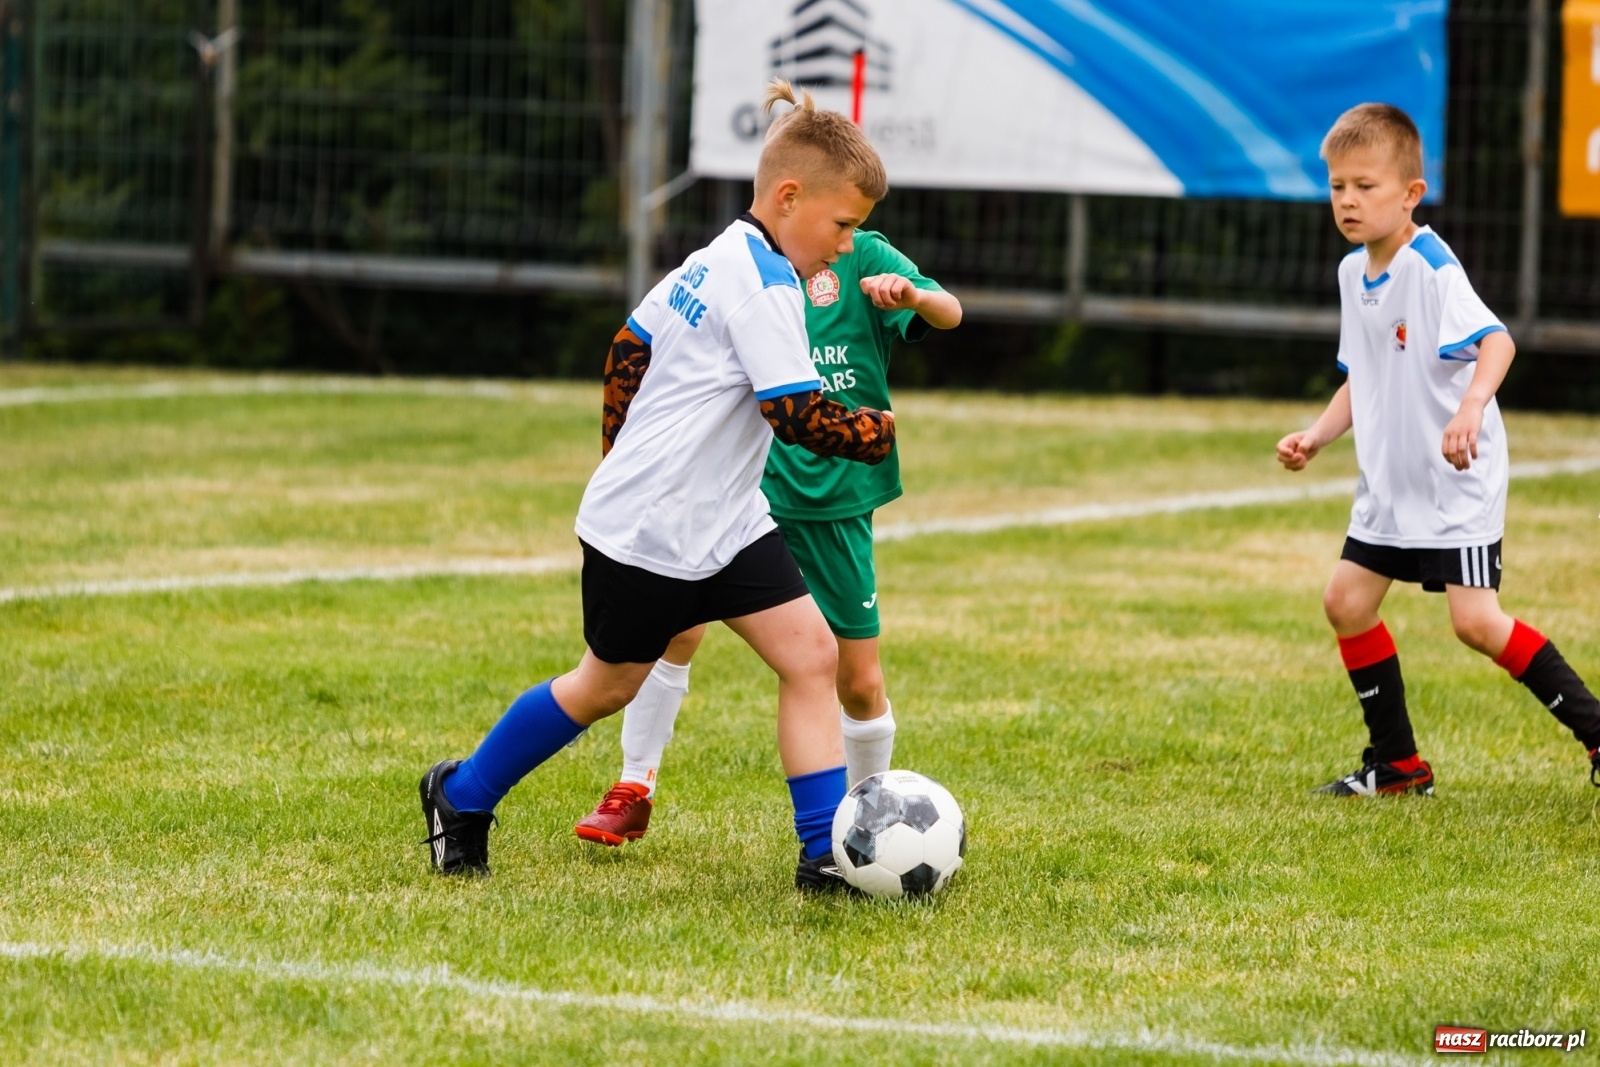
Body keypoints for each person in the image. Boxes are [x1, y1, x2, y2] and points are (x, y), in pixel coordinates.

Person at [420, 79, 896, 892]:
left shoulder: (714, 256)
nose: (849, 246)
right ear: (789, 197)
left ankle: (824, 854)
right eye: (844, 224)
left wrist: (623, 453)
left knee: (813, 655)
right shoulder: (765, 285)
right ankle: (459, 792)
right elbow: (797, 416)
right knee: (604, 685)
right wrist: (878, 430)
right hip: (653, 534)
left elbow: (625, 352)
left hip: (727, 522)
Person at [573, 209, 962, 847]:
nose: (839, 234)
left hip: (835, 501)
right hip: (750, 491)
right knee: (679, 630)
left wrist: (914, 296)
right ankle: (632, 785)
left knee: (857, 681)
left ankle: (867, 825)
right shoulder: (760, 270)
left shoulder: (862, 256)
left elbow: (950, 311)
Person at [1276, 102, 1600, 796]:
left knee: (1476, 622)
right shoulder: (1349, 274)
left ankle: (1598, 733)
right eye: (1338, 187)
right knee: (1347, 601)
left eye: (1366, 186)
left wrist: (1471, 406)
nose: (1349, 201)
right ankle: (1396, 765)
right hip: (1393, 482)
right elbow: (1362, 377)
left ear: (1411, 193)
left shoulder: (1430, 266)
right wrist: (1318, 435)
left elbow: (1497, 341)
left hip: (1456, 478)